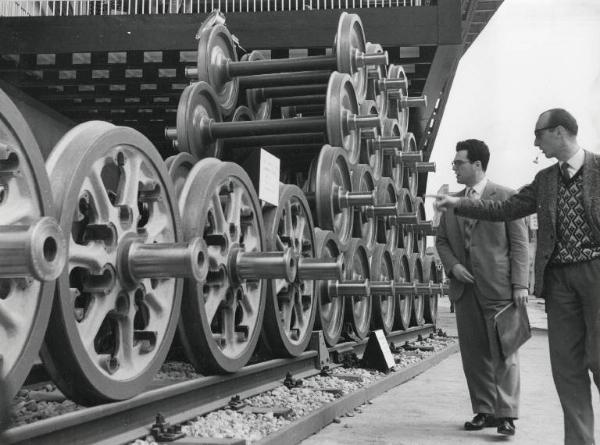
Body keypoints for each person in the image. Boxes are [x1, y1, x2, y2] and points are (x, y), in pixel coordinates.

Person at [434, 108, 600, 445]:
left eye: (539, 135)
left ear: (559, 132)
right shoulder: (546, 180)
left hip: (595, 273)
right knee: (566, 369)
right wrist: (457, 203)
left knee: (598, 360)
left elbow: (515, 232)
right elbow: (504, 210)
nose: (535, 142)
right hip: (558, 281)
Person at [435, 139, 529, 436]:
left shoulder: (506, 196)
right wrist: (453, 266)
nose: (455, 168)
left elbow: (519, 244)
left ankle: (507, 415)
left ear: (477, 164)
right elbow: (441, 240)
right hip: (466, 291)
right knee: (474, 355)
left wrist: (520, 285)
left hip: (499, 289)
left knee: (504, 352)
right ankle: (485, 411)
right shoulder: (452, 202)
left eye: (459, 162)